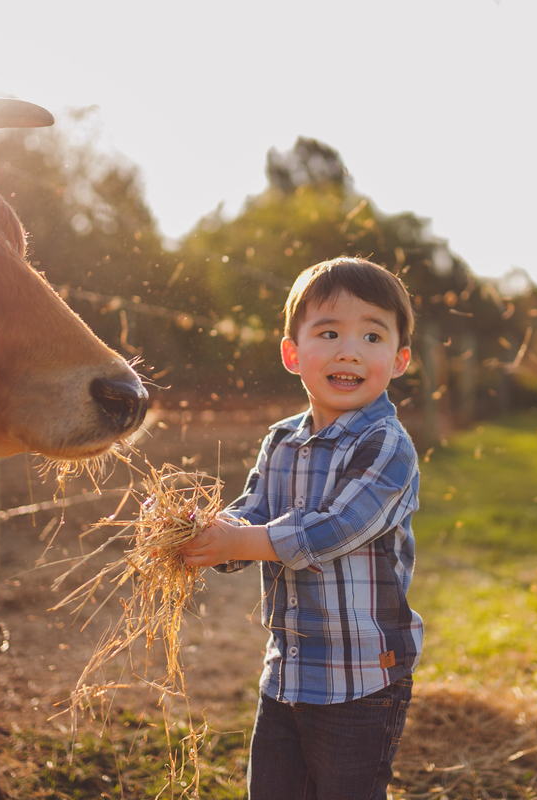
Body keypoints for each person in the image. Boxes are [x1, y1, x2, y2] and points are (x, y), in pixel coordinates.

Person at [181, 256, 423, 800]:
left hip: (363, 678)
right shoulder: (281, 440)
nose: (349, 350)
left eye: (372, 335)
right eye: (329, 332)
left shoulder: (387, 444)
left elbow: (335, 530)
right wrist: (208, 533)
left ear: (399, 359)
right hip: (288, 671)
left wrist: (243, 540)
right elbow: (254, 511)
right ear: (293, 353)